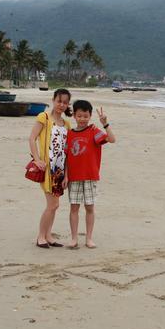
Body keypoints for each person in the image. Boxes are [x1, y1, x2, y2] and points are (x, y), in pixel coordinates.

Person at [62, 100, 116, 249]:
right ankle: (74, 238)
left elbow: (112, 139)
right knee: (74, 208)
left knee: (90, 208)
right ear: (74, 116)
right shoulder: (69, 134)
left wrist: (105, 124)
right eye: (79, 116)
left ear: (90, 116)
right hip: (74, 177)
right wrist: (66, 176)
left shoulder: (94, 131)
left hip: (90, 176)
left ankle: (89, 238)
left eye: (85, 116)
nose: (82, 119)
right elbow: (66, 157)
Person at [28, 88, 72, 248]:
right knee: (52, 205)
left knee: (55, 205)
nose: (62, 105)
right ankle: (41, 236)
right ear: (53, 100)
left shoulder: (67, 124)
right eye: (59, 101)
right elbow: (32, 138)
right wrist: (37, 159)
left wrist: (66, 175)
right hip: (48, 169)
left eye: (65, 102)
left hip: (60, 170)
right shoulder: (44, 117)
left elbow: (67, 151)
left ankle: (48, 235)